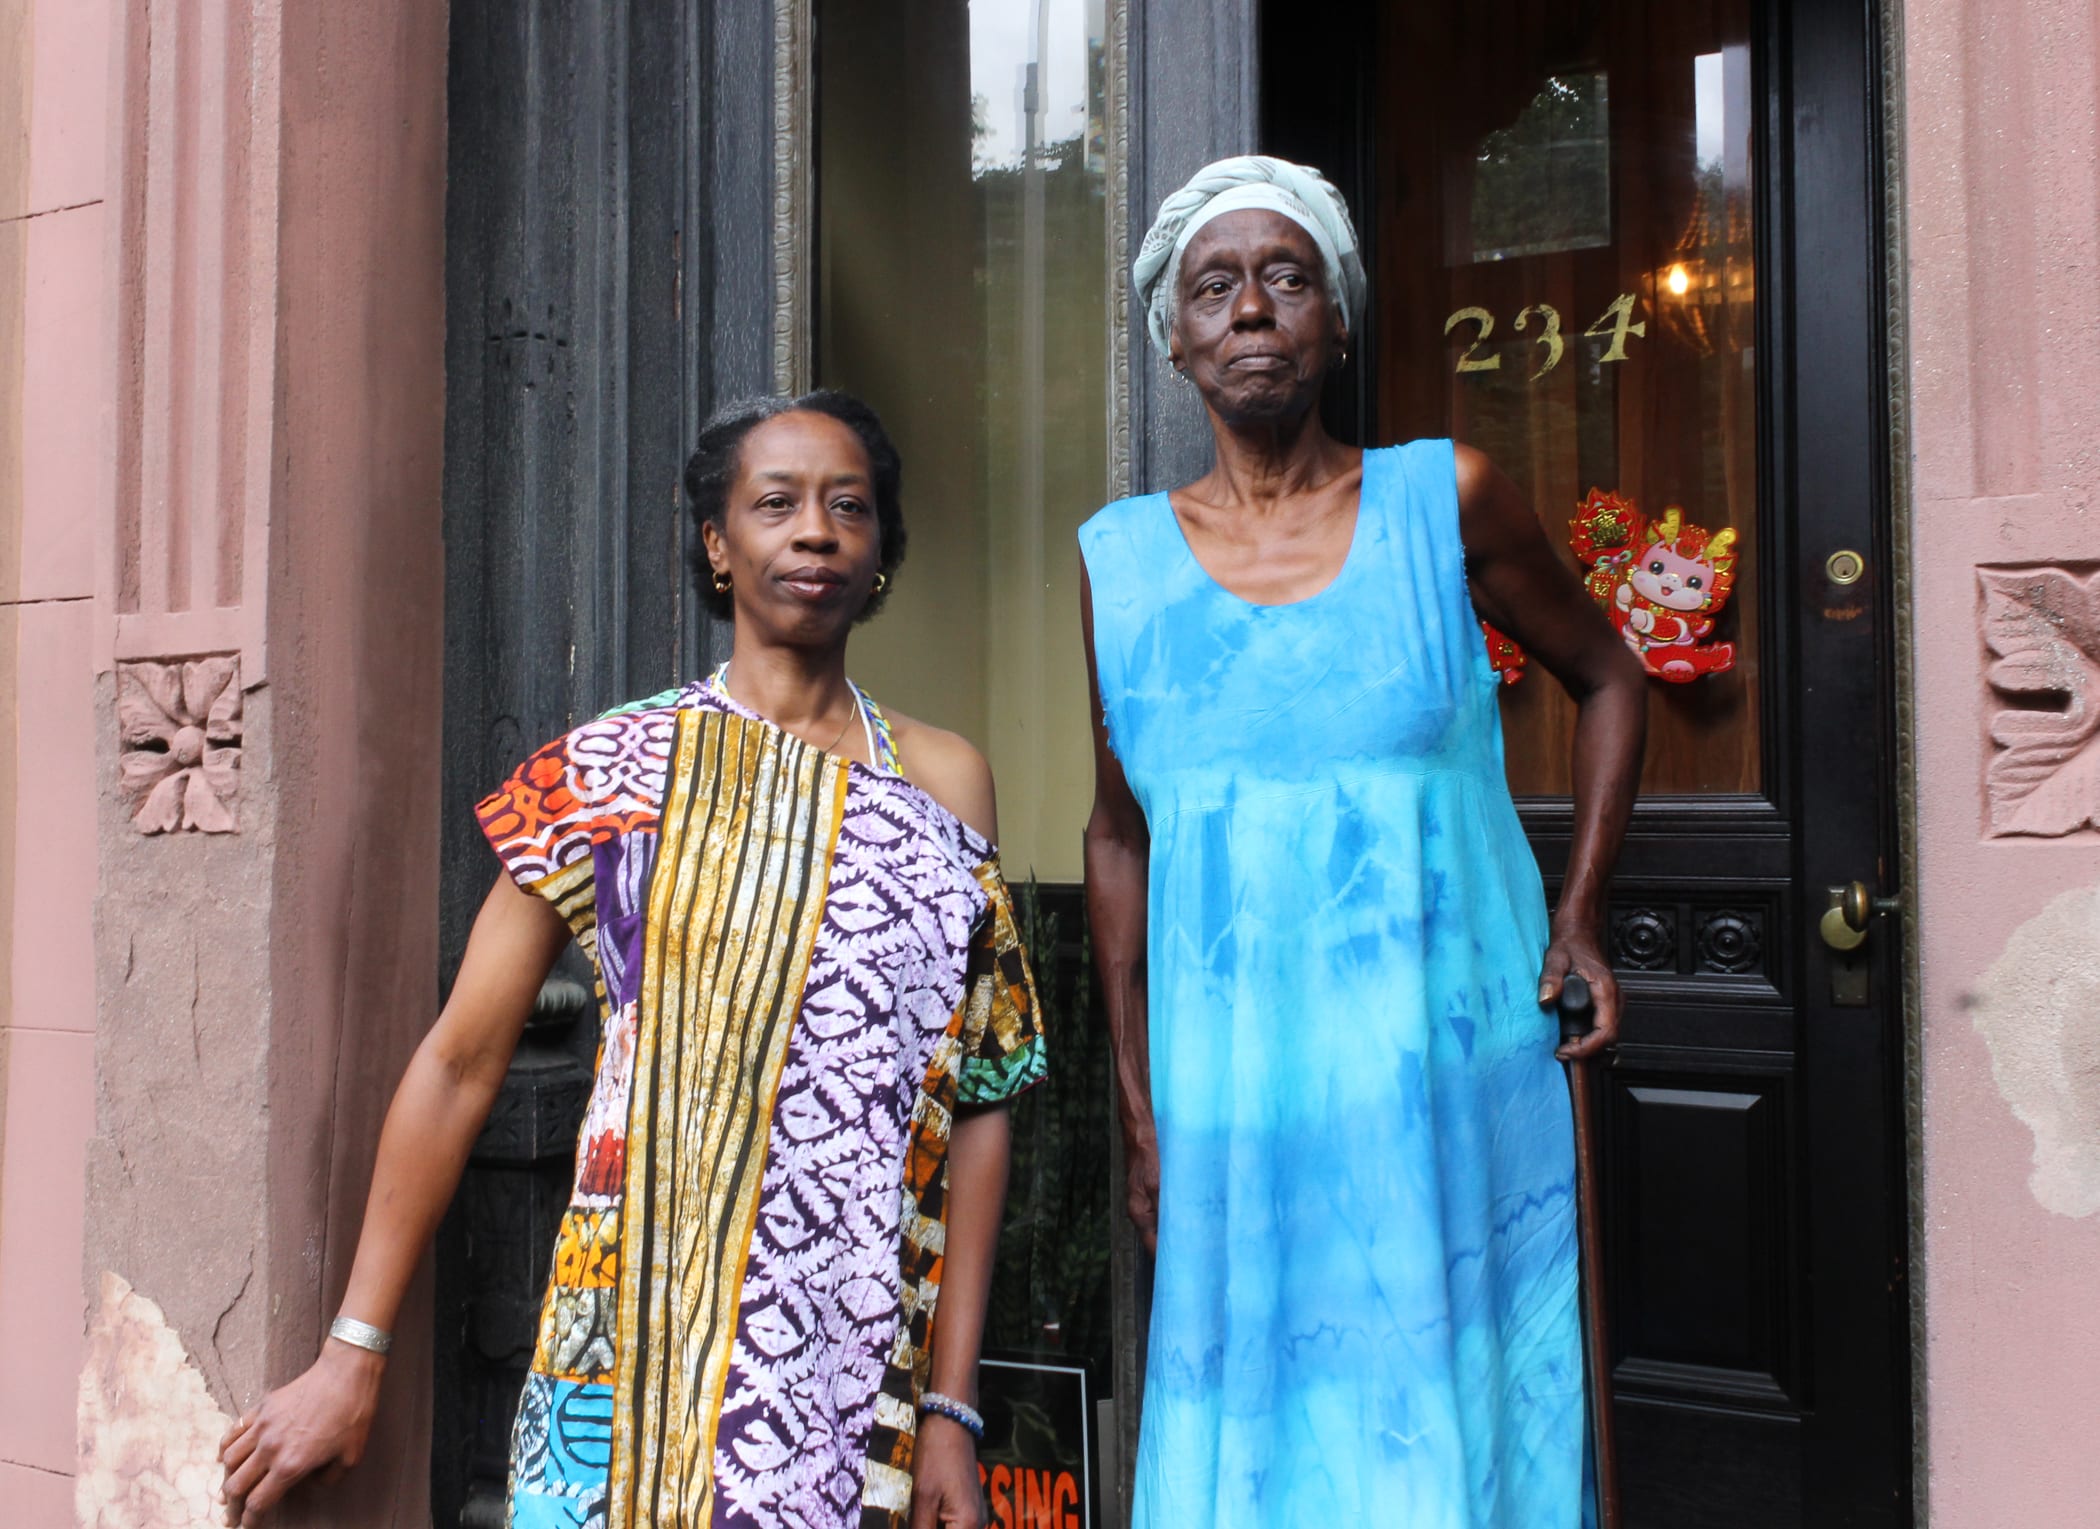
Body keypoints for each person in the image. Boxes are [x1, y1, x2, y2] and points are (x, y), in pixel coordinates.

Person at [218, 391, 1046, 1529]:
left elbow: (981, 1100)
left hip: (854, 1366)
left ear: (881, 548)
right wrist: (351, 1353)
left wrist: (951, 1409)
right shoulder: (605, 775)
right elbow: (460, 1061)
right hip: (632, 1347)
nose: (816, 531)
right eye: (777, 504)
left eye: (849, 507)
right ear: (718, 542)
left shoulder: (947, 779)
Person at [1081, 156, 1646, 1527]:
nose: (1253, 311)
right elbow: (1116, 834)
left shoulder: (1442, 499)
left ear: (1338, 321)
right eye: (1215, 287)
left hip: (1447, 1063)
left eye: (1288, 279)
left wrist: (1578, 915)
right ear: (1175, 339)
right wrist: (1141, 1098)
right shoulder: (1119, 560)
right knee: (1263, 1408)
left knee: (1462, 1400)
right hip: (1236, 1090)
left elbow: (1611, 676)